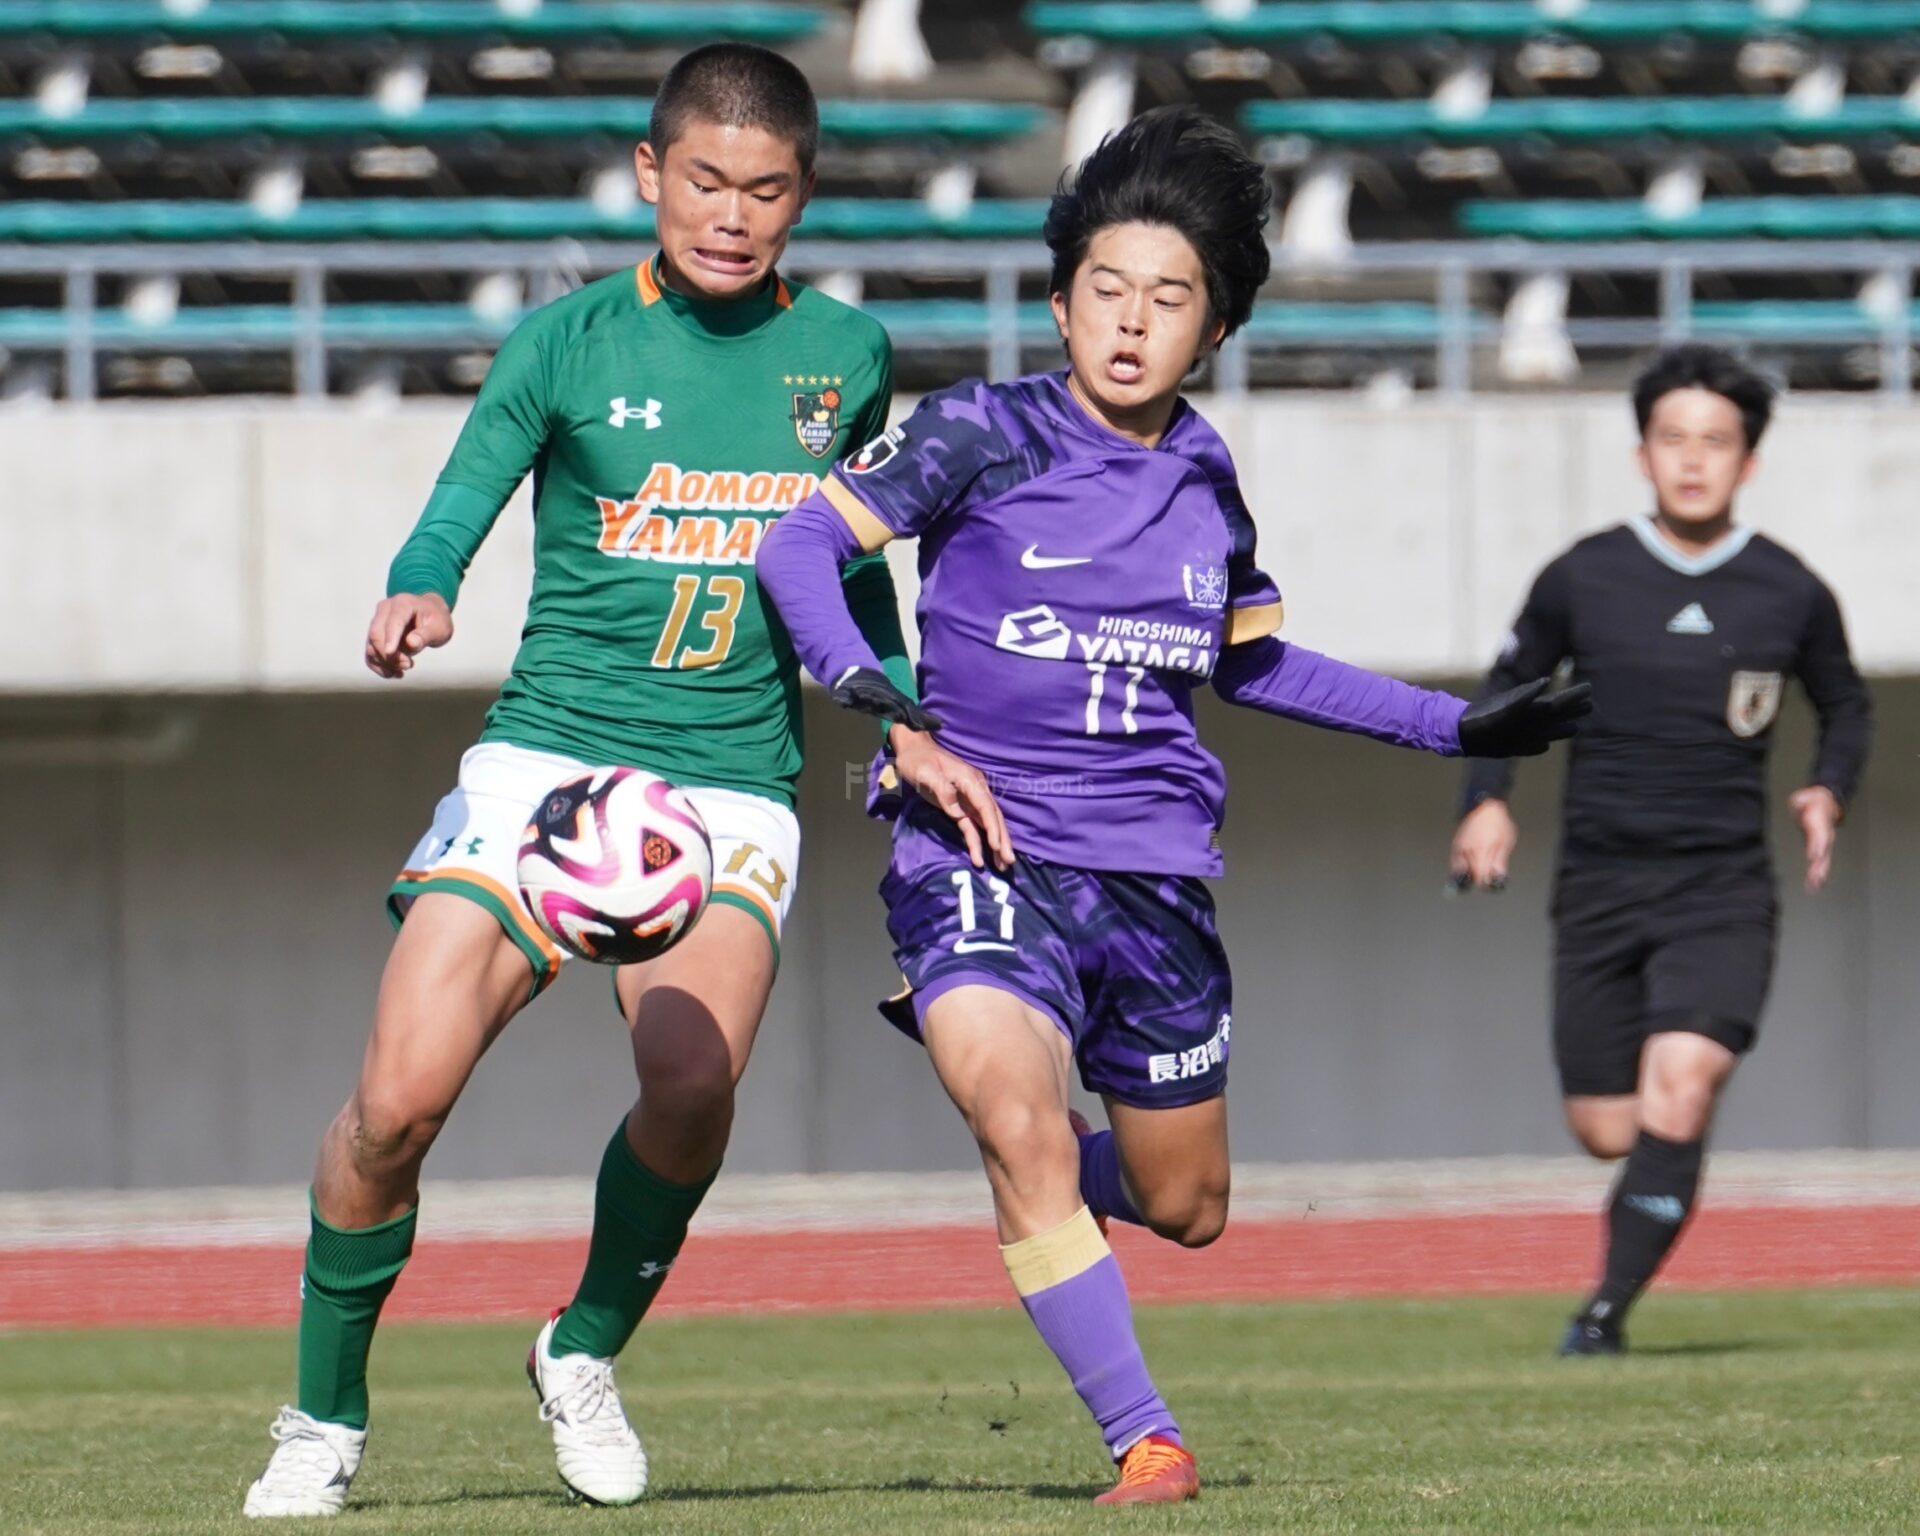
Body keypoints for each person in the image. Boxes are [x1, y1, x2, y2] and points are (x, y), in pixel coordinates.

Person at [757, 105, 1588, 1505]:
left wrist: (1461, 725)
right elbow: (796, 546)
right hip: (980, 845)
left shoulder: (1205, 477)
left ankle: (1049, 1192)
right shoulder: (981, 431)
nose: (1130, 323)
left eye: (1168, 298)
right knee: (1012, 1118)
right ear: (1063, 295)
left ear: (1211, 333)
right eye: (1105, 290)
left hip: (1152, 885)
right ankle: (1149, 1438)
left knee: (1189, 1206)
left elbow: (1252, 663)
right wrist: (887, 712)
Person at [243, 43, 915, 1517]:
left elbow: (857, 581)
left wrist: (900, 709)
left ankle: (583, 1345)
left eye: (767, 190)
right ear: (648, 177)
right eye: (706, 183)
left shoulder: (847, 357)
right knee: (396, 1103)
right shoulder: (566, 343)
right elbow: (461, 499)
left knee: (691, 1087)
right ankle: (324, 1417)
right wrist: (418, 588)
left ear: (803, 198)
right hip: (545, 763)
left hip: (729, 780)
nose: (732, 215)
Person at [1448, 343, 1873, 1356]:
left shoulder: (1788, 590)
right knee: (1608, 1128)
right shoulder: (1582, 576)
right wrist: (1487, 800)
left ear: (1748, 461)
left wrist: (1827, 789)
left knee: (1681, 1083)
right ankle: (1668, 1159)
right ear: (1642, 453)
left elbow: (1846, 702)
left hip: (1722, 887)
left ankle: (1601, 1317)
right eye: (1673, 439)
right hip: (1597, 883)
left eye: (1715, 443)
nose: (1693, 461)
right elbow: (1505, 693)